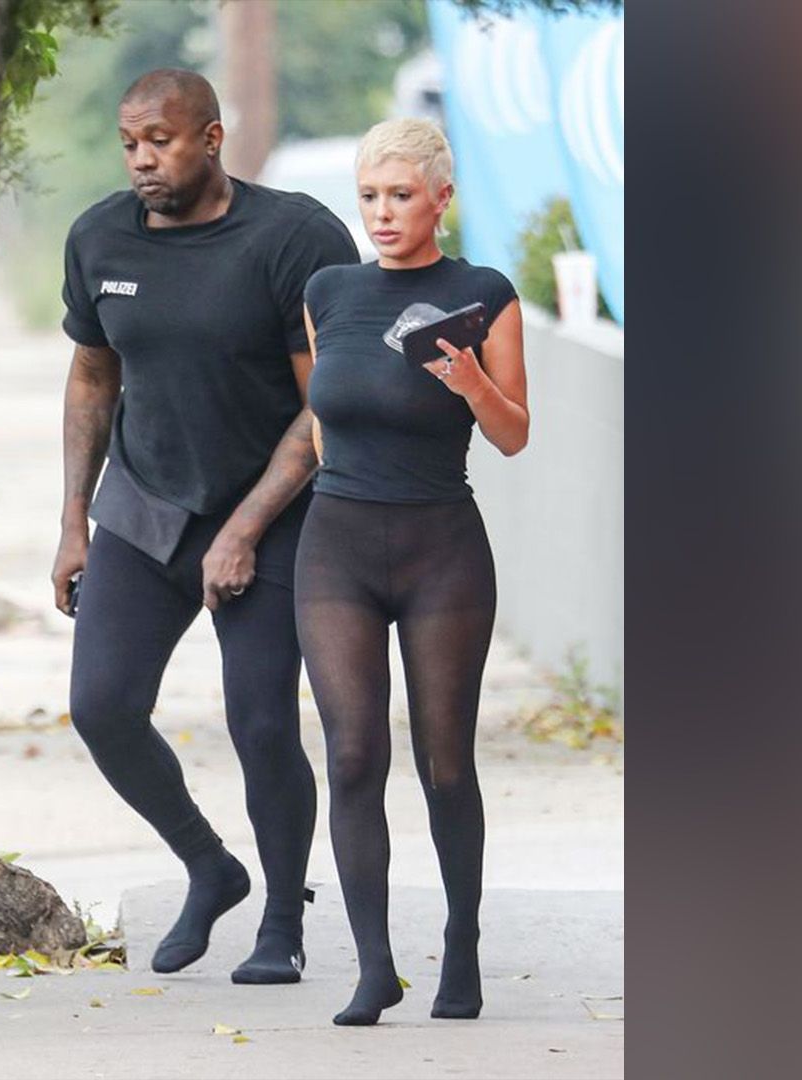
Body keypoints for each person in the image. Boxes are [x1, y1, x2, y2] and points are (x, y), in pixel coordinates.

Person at [53, 69, 359, 983]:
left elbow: (325, 408)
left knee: (262, 722)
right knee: (102, 707)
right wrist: (74, 521)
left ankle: (282, 916)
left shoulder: (293, 236)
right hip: (146, 509)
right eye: (130, 143)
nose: (143, 159)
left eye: (162, 140)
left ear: (213, 139)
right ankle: (209, 866)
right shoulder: (100, 235)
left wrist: (246, 529)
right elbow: (92, 378)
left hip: (273, 514)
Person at [296, 118, 530, 1025]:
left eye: (401, 195)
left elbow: (512, 433)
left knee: (445, 765)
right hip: (338, 545)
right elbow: (325, 416)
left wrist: (470, 382)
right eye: (369, 197)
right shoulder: (329, 290)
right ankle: (373, 967)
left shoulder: (483, 291)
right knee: (353, 755)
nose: (384, 213)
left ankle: (461, 949)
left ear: (442, 197)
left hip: (442, 548)